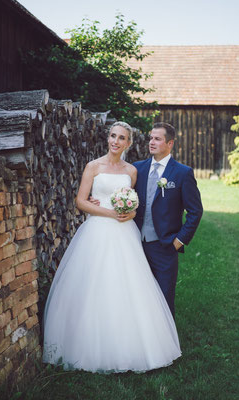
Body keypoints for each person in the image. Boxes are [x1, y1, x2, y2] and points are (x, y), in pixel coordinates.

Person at [42, 121, 181, 373]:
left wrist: (131, 211)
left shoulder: (132, 171)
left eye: (121, 138)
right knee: (94, 282)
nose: (115, 141)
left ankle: (132, 342)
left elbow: (139, 201)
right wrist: (108, 211)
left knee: (128, 284)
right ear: (108, 138)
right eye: (113, 136)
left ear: (128, 143)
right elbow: (81, 202)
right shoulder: (93, 166)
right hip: (97, 231)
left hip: (126, 233)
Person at [133, 122, 203, 318]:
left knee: (164, 297)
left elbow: (195, 211)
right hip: (136, 244)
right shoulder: (138, 169)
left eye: (157, 139)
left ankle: (166, 345)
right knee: (138, 295)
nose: (151, 142)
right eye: (150, 138)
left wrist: (179, 241)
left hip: (165, 246)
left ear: (170, 143)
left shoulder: (182, 173)